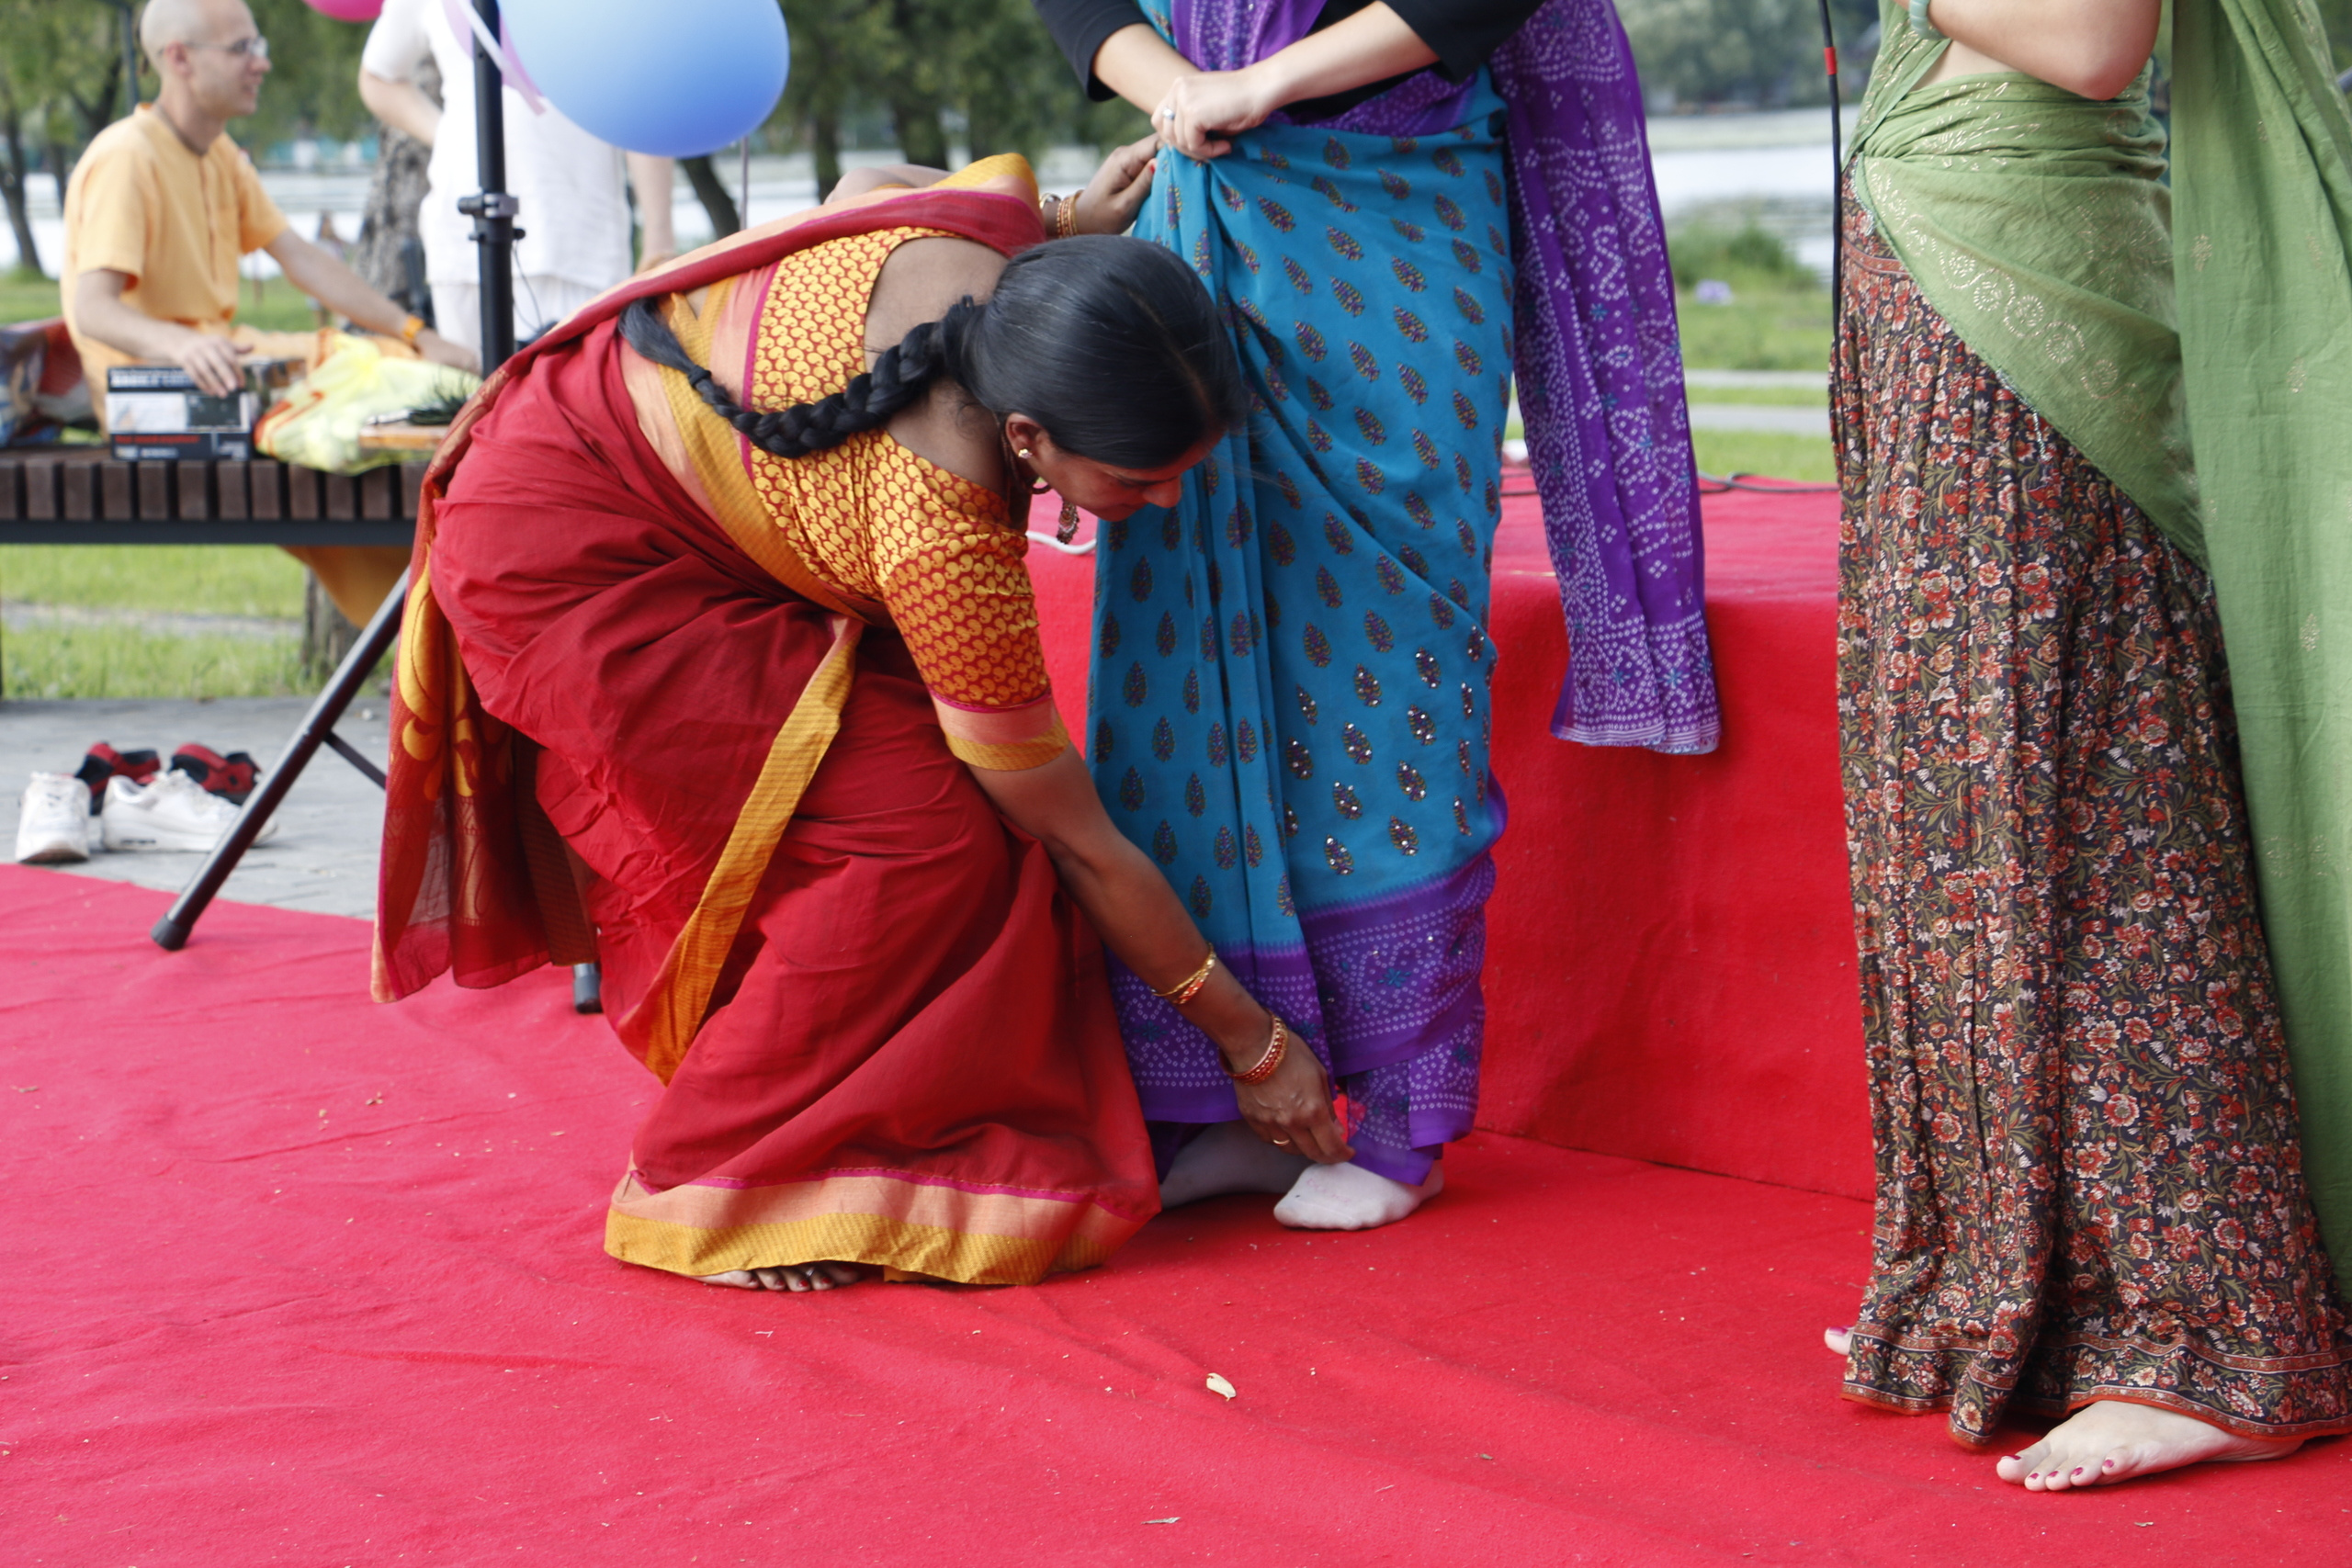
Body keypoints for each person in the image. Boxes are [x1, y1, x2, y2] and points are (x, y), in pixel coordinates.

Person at [374, 149, 1363, 1292]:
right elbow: (1079, 838)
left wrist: (1056, 216)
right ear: (1028, 440)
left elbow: (864, 180)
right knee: (917, 844)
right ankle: (722, 1177)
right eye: (1138, 483)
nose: (1167, 505)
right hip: (567, 554)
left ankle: (887, 1144)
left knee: (956, 821)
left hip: (683, 498)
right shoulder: (943, 536)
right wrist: (1254, 1045)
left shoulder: (997, 252)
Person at [1032, 0, 1718, 1230]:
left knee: (1396, 656)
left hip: (1391, 215)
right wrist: (1179, 85)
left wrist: (1267, 82)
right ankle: (1211, 1103)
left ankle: (1405, 1118)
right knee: (1179, 647)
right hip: (1207, 196)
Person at [1826, 0, 2352, 1489]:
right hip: (1944, 296)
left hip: (2026, 311)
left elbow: (2091, 36)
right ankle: (2030, 1279)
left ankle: (2225, 1335)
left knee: (2098, 826)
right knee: (1968, 820)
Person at [62, 0, 477, 628]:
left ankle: (450, 611)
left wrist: (419, 335)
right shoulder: (127, 155)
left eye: (257, 45)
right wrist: (177, 347)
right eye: (243, 49)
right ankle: (438, 622)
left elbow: (302, 259)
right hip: (159, 394)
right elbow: (91, 309)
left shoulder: (219, 153)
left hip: (231, 370)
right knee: (406, 404)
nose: (263, 63)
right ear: (179, 58)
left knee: (414, 376)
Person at [358, 0, 677, 356]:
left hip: (579, 240)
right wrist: (452, 138)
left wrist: (659, 242)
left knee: (576, 400)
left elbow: (640, 99)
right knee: (476, 401)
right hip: (462, 243)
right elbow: (377, 77)